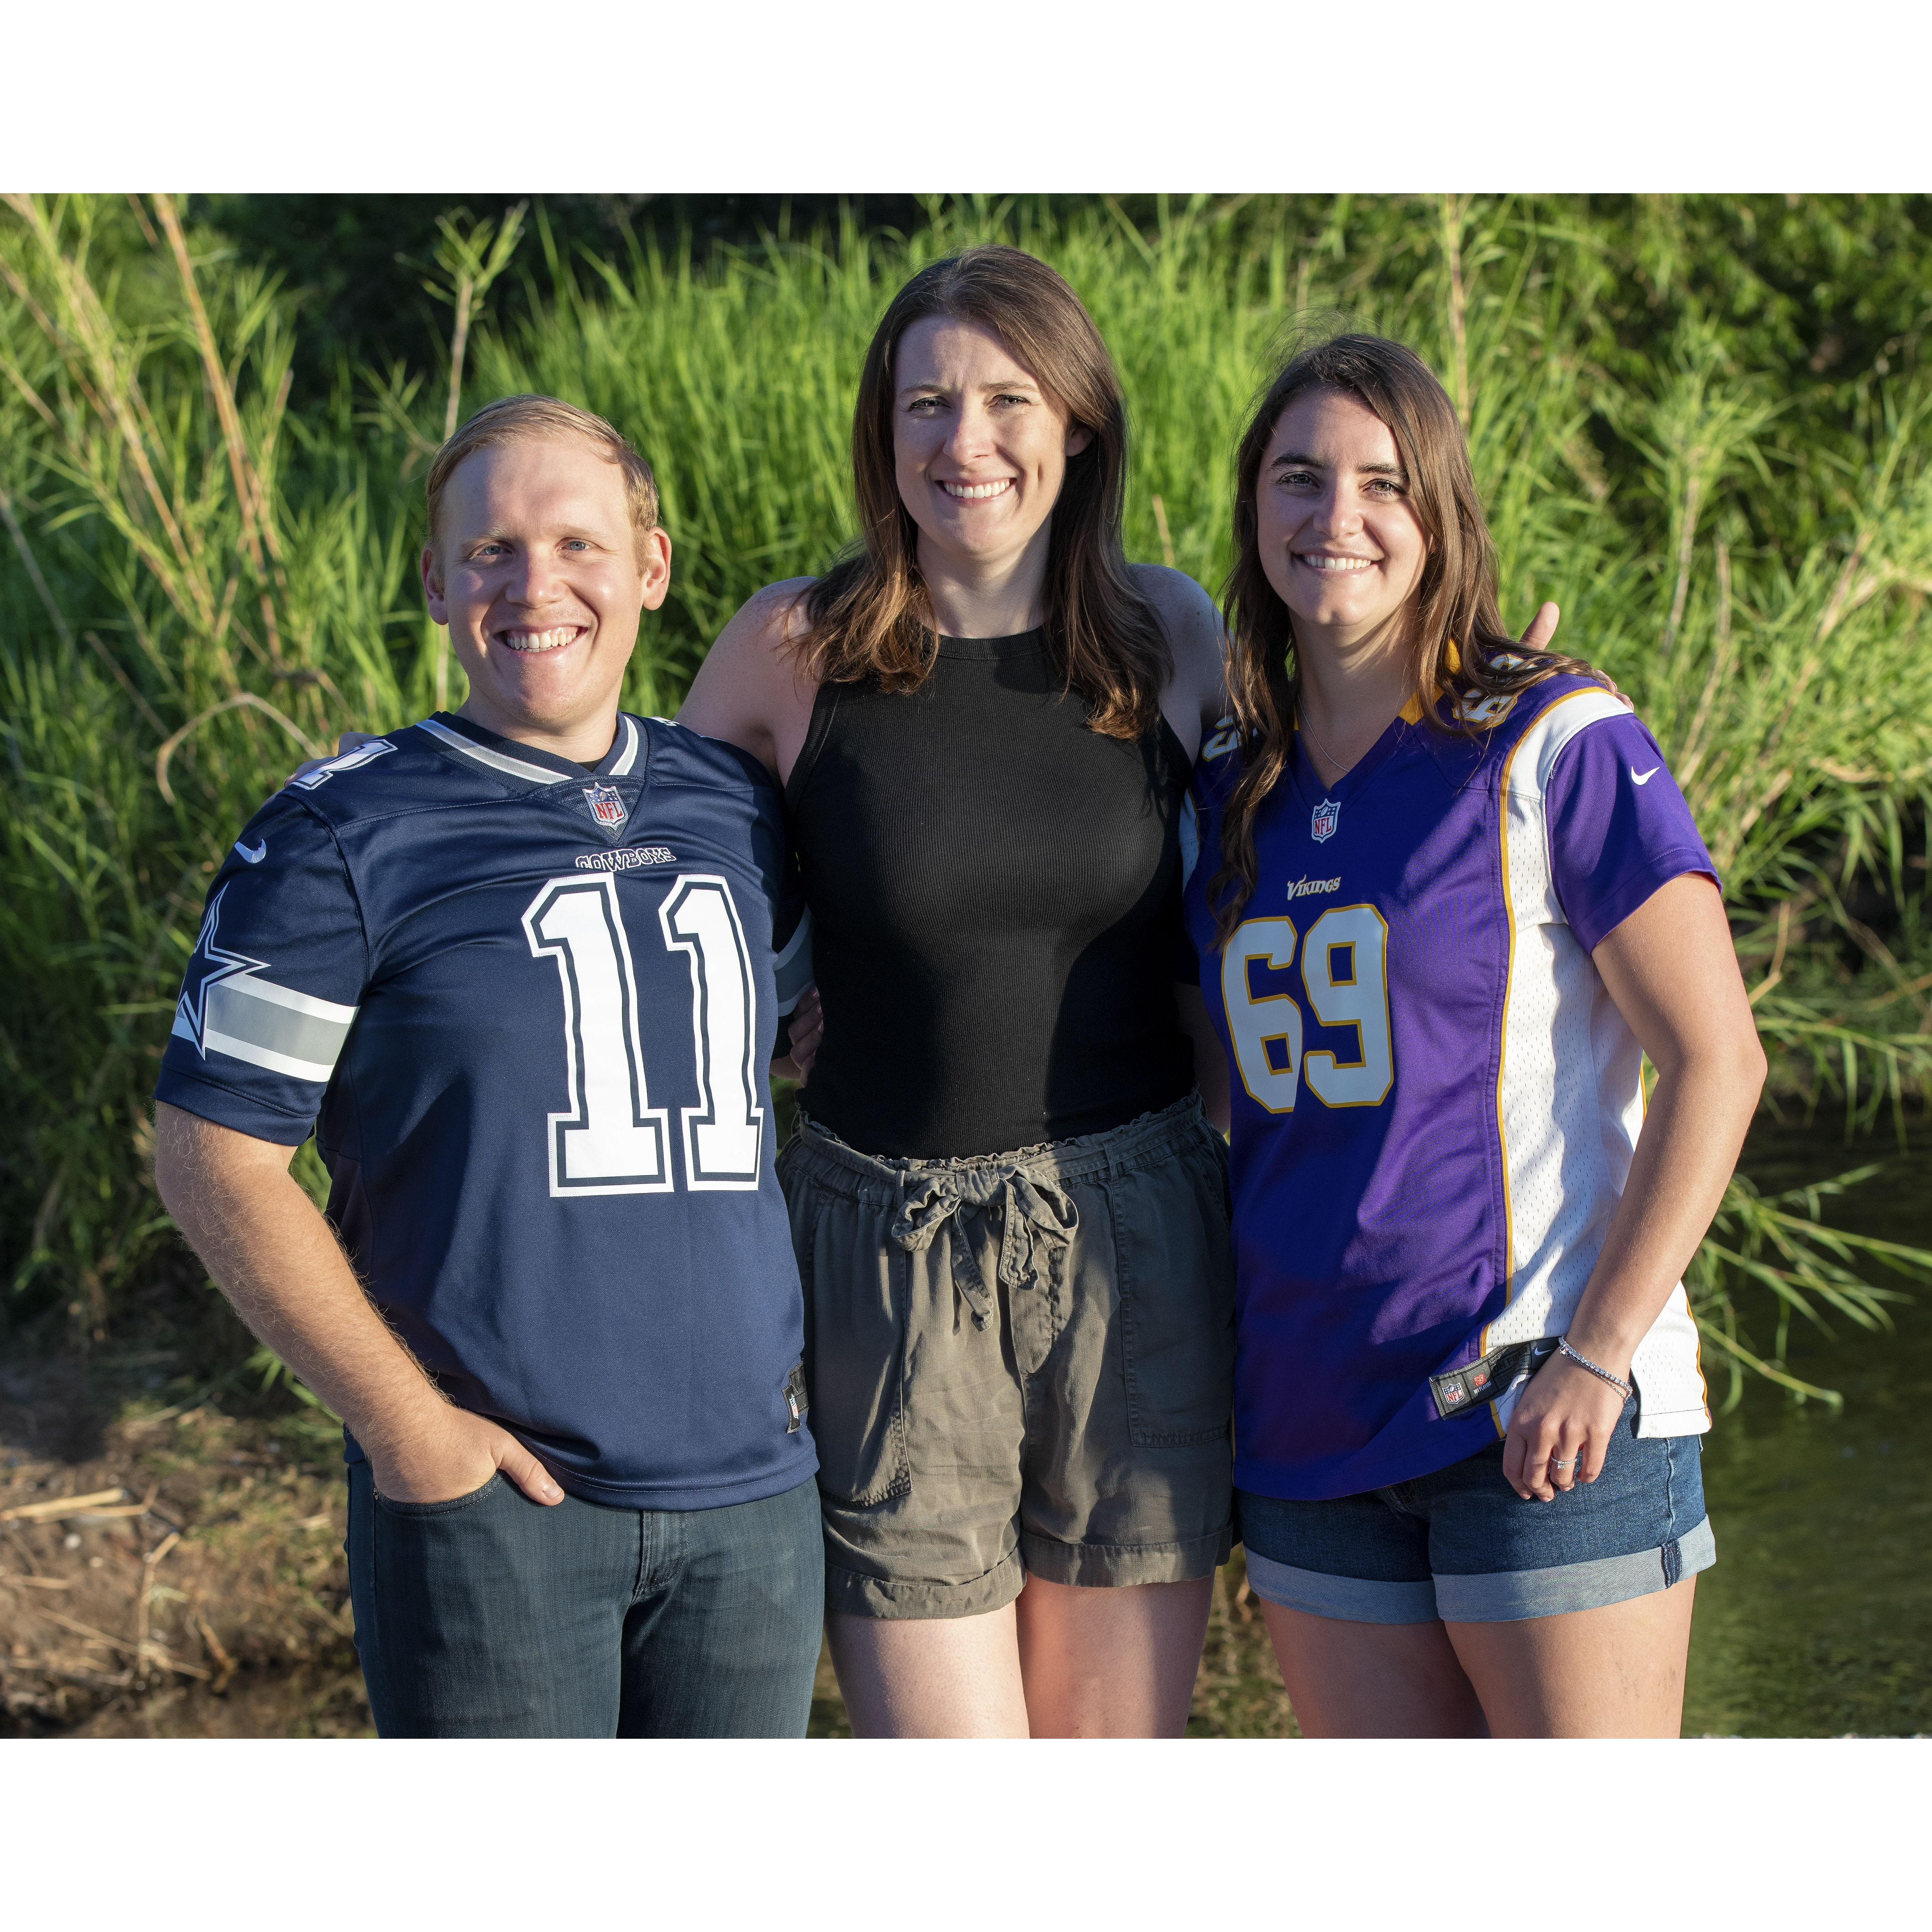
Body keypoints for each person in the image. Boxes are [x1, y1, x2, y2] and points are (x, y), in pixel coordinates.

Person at [151, 395, 826, 1738]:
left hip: (753, 1504)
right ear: (435, 585)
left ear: (651, 566)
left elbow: (793, 1047)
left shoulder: (738, 807)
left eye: (577, 543)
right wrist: (410, 1429)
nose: (536, 587)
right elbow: (212, 1153)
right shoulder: (340, 828)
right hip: (499, 1509)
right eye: (492, 553)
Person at [1183, 334, 1766, 1738]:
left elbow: (1716, 1060)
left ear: (1440, 511)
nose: (1337, 517)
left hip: (1536, 1407)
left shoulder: (1552, 735)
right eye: (1298, 477)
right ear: (1255, 507)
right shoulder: (1220, 783)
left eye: (1384, 483)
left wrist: (1600, 1351)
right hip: (1309, 1423)